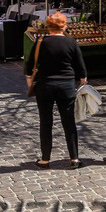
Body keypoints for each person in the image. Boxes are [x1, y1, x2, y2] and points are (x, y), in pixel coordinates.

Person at [25, 11, 88, 168]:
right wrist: (82, 82)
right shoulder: (71, 43)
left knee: (45, 122)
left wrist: (29, 82)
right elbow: (81, 69)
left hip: (44, 85)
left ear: (48, 26)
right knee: (69, 122)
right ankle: (74, 158)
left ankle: (45, 159)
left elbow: (29, 65)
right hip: (66, 86)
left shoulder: (41, 42)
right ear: (64, 26)